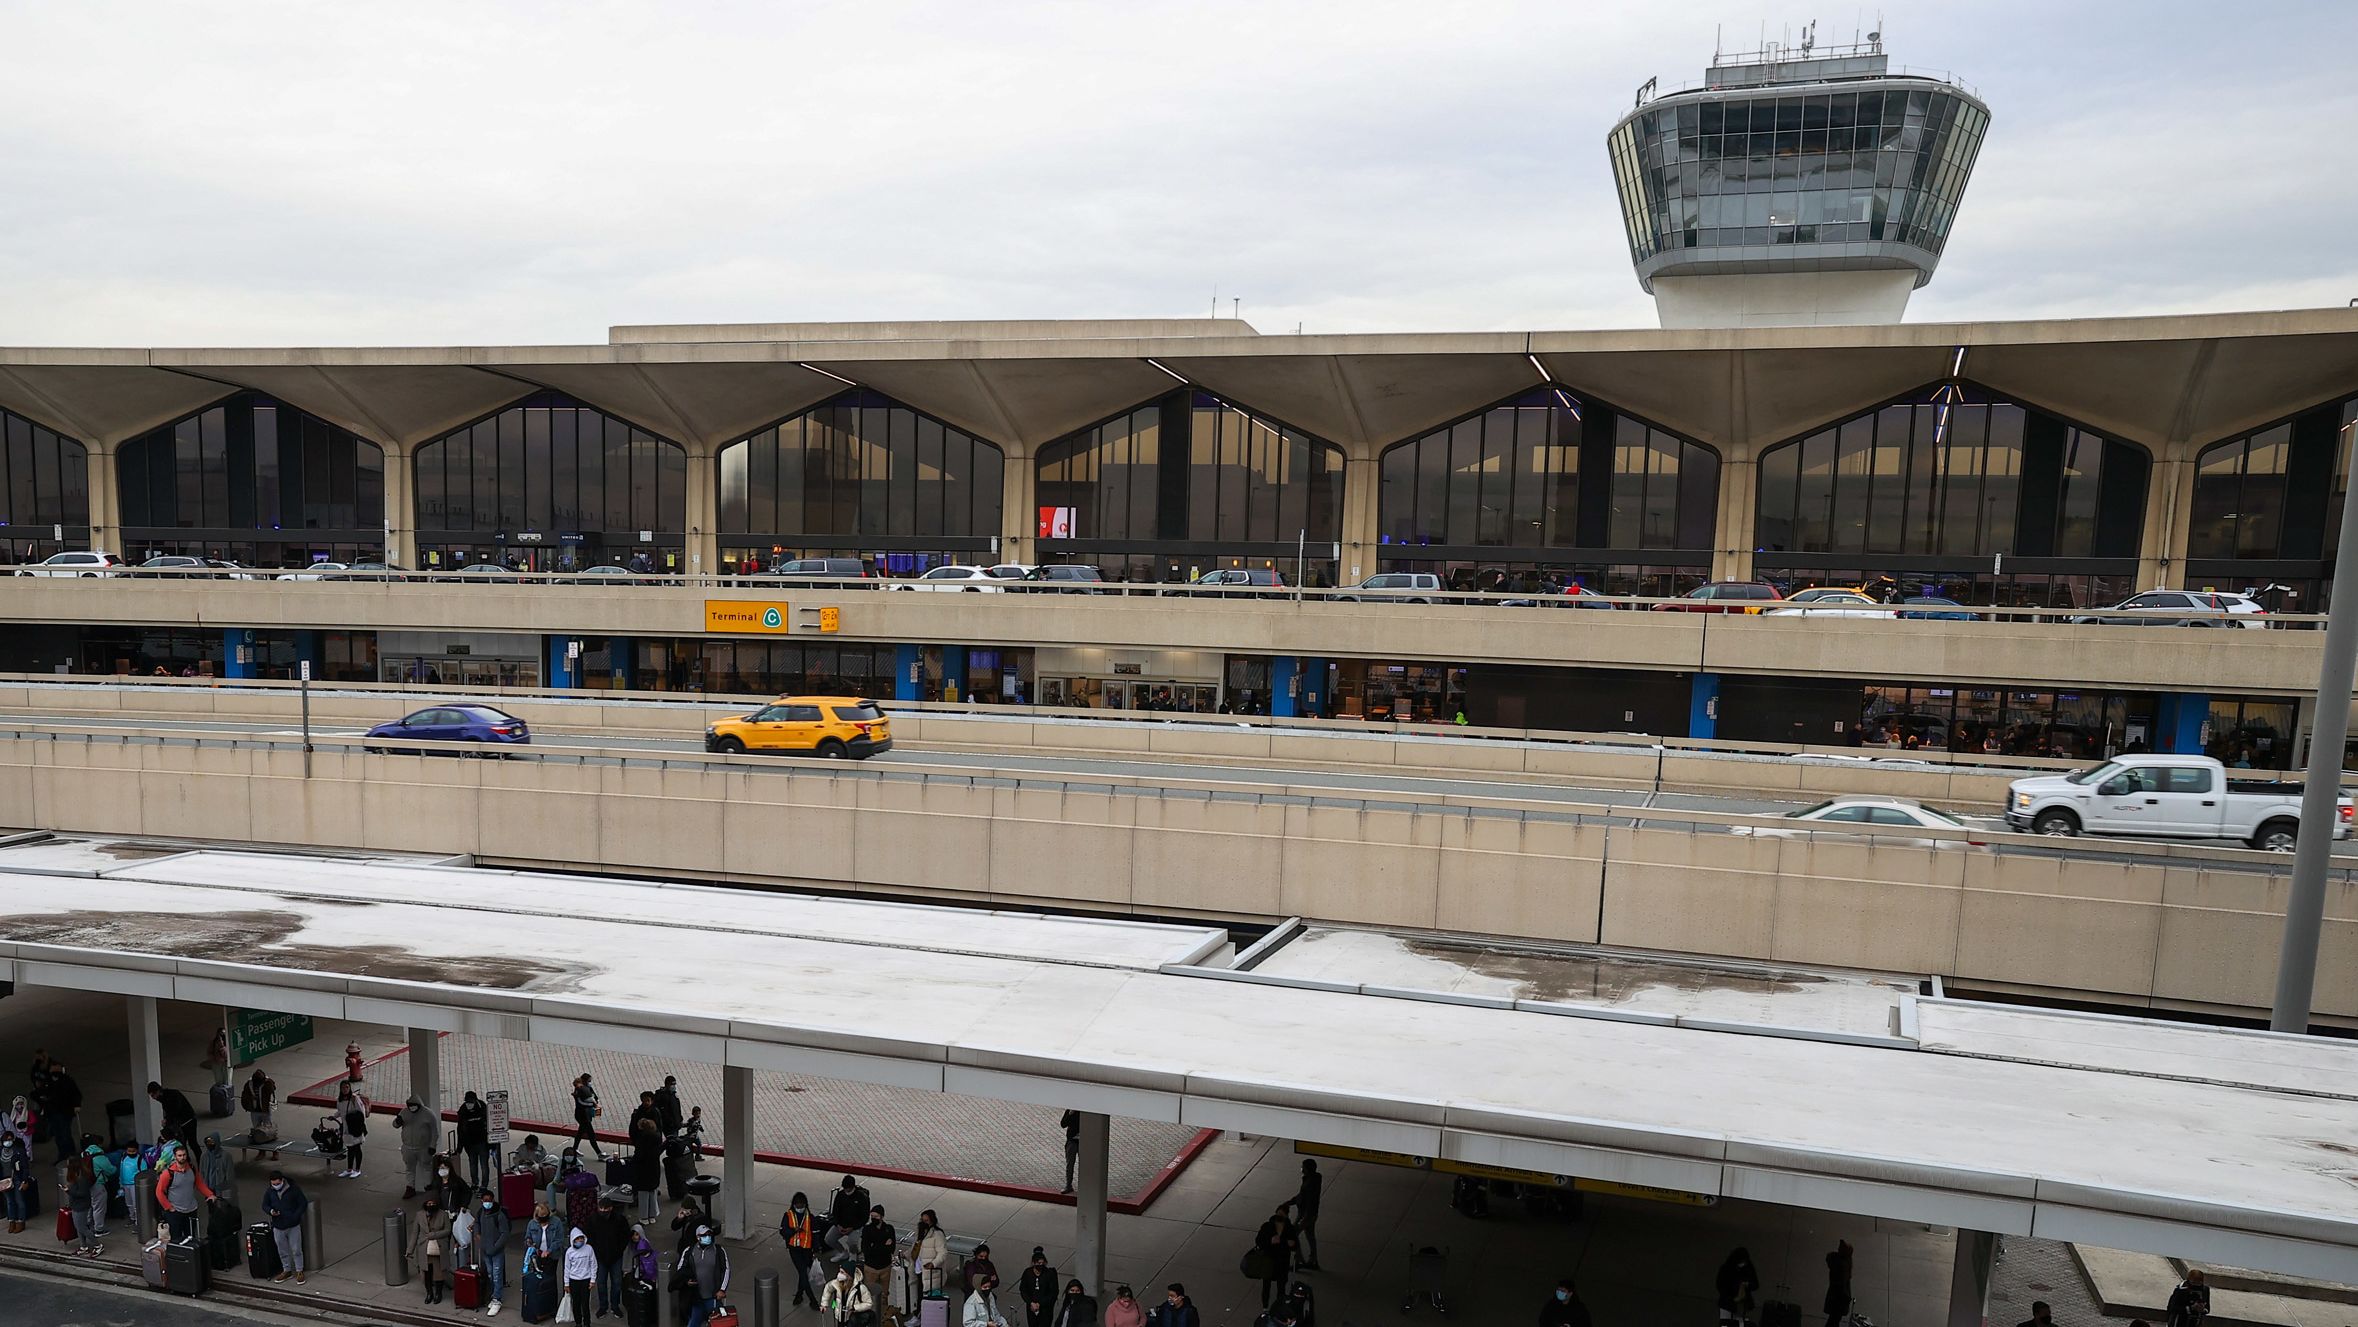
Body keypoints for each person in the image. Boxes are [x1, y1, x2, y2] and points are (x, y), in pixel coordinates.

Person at [153, 1147, 215, 1241]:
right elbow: (159, 1192)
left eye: (184, 1155)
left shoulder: (192, 1169)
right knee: (176, 1238)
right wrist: (169, 1207)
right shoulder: (168, 1174)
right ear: (175, 1157)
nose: (182, 1157)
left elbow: (199, 1183)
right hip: (175, 1212)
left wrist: (210, 1194)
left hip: (191, 1209)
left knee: (190, 1237)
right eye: (180, 1155)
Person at [675, 1225, 731, 1327]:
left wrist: (722, 1289)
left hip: (713, 1297)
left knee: (719, 1323)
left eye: (709, 1234)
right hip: (696, 1298)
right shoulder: (689, 1251)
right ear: (698, 1237)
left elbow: (726, 1270)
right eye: (704, 1235)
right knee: (694, 1323)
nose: (708, 1237)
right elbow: (680, 1269)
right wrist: (686, 1281)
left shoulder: (718, 1251)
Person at [589, 1191, 633, 1318]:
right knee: (601, 1283)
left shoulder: (619, 1220)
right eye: (601, 1208)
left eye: (605, 1208)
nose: (602, 1211)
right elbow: (589, 1236)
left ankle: (615, 1306)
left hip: (615, 1257)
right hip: (600, 1258)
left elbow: (625, 1236)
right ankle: (603, 1306)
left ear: (611, 1208)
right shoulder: (593, 1220)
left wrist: (619, 1250)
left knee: (617, 1283)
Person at [262, 1171, 308, 1284]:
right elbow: (265, 1205)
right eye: (273, 1184)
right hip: (278, 1225)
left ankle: (299, 1270)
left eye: (277, 1183)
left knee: (296, 1249)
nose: (275, 1186)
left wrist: (295, 1216)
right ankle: (286, 1269)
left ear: (282, 1180)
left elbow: (303, 1203)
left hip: (293, 1224)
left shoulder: (293, 1190)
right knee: (282, 1250)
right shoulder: (270, 1191)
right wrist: (271, 1211)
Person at [410, 1196, 456, 1304]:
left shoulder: (443, 1215)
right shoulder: (419, 1215)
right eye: (429, 1203)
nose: (431, 1205)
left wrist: (434, 1235)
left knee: (438, 1273)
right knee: (426, 1273)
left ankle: (438, 1293)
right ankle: (429, 1293)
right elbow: (415, 1233)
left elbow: (448, 1230)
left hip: (438, 1248)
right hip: (424, 1249)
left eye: (433, 1203)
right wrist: (410, 1250)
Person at [474, 1186, 512, 1314]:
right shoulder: (480, 1212)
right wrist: (478, 1234)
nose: (487, 1203)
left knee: (496, 1275)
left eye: (489, 1200)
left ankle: (497, 1299)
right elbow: (476, 1224)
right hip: (486, 1250)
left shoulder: (499, 1216)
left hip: (496, 1251)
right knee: (490, 1274)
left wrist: (495, 1246)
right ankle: (493, 1296)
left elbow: (505, 1234)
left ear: (493, 1199)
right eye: (485, 1200)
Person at [780, 1192, 820, 1308]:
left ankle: (799, 1294)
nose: (799, 1208)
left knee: (802, 1274)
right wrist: (793, 1230)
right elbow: (783, 1231)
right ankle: (812, 1300)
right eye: (797, 1206)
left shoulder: (811, 1218)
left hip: (807, 1249)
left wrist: (816, 1249)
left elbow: (816, 1234)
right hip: (794, 1249)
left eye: (801, 1206)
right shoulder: (788, 1216)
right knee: (803, 1272)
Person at [1252, 1207, 1296, 1308]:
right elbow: (1259, 1242)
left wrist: (1292, 1244)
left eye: (1282, 1215)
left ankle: (1279, 1307)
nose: (1279, 1217)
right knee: (1266, 1286)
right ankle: (1265, 1307)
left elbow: (1295, 1245)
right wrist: (1270, 1241)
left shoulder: (1289, 1229)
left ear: (1286, 1215)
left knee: (1281, 1287)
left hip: (1282, 1262)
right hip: (1268, 1261)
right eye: (1278, 1214)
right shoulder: (1267, 1226)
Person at [62, 1148, 101, 1257]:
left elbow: (82, 1193)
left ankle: (97, 1245)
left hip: (81, 1205)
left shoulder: (82, 1177)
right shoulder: (77, 1175)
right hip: (76, 1205)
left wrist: (69, 1191)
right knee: (78, 1226)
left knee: (82, 1227)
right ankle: (83, 1246)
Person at [825, 1173, 871, 1263]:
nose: (847, 1191)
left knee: (852, 1242)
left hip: (855, 1226)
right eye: (845, 1189)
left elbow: (865, 1217)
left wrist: (853, 1228)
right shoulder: (840, 1195)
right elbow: (835, 1212)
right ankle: (842, 1252)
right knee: (829, 1239)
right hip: (841, 1225)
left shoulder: (862, 1197)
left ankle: (853, 1256)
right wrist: (838, 1225)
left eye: (849, 1189)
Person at [42, 1060, 81, 1164]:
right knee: (58, 1136)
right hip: (53, 1112)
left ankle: (70, 1154)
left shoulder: (67, 1081)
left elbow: (76, 1094)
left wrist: (77, 1105)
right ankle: (63, 1155)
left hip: (65, 1112)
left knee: (65, 1134)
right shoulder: (48, 1081)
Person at [858, 1205, 897, 1304]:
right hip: (871, 1268)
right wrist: (884, 1246)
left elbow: (892, 1248)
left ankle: (883, 1315)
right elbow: (866, 1250)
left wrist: (875, 1246)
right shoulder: (867, 1229)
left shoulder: (889, 1229)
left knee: (884, 1295)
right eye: (872, 1216)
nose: (874, 1219)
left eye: (876, 1216)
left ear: (882, 1217)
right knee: (869, 1294)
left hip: (885, 1267)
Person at [455, 1090, 492, 1192]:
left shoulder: (482, 1108)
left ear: (475, 1101)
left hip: (482, 1143)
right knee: (473, 1164)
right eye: (467, 1102)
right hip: (470, 1144)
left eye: (470, 1102)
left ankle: (484, 1185)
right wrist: (460, 1147)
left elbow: (490, 1125)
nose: (469, 1104)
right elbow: (460, 1130)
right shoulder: (463, 1111)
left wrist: (492, 1144)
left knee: (484, 1165)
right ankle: (475, 1183)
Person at [1289, 1159, 1322, 1271]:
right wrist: (1290, 1202)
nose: (1301, 1169)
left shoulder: (1309, 1183)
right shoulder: (1315, 1179)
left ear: (1307, 1169)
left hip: (1305, 1215)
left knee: (1292, 1234)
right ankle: (1313, 1261)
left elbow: (1304, 1198)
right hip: (1311, 1215)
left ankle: (1299, 1261)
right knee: (1310, 1236)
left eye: (1303, 1167)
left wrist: (1303, 1218)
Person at [239, 1068, 278, 1160]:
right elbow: (244, 1095)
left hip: (265, 1110)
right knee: (258, 1133)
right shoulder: (249, 1084)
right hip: (255, 1110)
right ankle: (261, 1151)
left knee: (270, 1131)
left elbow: (273, 1089)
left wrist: (269, 1082)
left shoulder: (267, 1083)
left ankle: (275, 1151)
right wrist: (250, 1099)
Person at [629, 1117, 664, 1220]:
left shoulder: (642, 1140)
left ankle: (644, 1217)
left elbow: (639, 1156)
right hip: (654, 1169)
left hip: (643, 1171)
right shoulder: (657, 1138)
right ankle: (653, 1215)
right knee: (652, 1192)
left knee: (643, 1195)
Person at [562, 1227, 598, 1326]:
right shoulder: (569, 1252)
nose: (579, 1241)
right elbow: (567, 1269)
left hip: (585, 1280)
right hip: (574, 1281)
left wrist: (592, 1280)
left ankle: (587, 1323)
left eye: (581, 1238)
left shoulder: (589, 1249)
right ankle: (578, 1323)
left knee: (585, 1304)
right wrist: (566, 1284)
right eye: (577, 1239)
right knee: (576, 1303)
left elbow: (593, 1264)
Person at [147, 1080, 198, 1150]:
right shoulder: (164, 1098)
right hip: (181, 1122)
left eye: (153, 1095)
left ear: (158, 1091)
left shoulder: (172, 1095)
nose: (153, 1098)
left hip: (189, 1120)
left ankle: (199, 1159)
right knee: (182, 1144)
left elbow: (175, 1110)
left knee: (192, 1143)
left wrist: (167, 1120)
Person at [335, 1078, 370, 1178]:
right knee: (350, 1148)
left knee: (357, 1148)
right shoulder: (339, 1099)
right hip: (346, 1128)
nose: (345, 1089)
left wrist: (359, 1124)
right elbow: (340, 1111)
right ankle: (349, 1169)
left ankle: (357, 1169)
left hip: (355, 1127)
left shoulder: (354, 1099)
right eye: (343, 1087)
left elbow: (361, 1111)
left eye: (347, 1087)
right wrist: (334, 1116)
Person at [1715, 1247, 1760, 1324]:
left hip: (1742, 1304)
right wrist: (1731, 1297)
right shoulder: (1726, 1268)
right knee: (1725, 1323)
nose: (1743, 1263)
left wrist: (1747, 1284)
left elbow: (1755, 1284)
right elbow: (1720, 1285)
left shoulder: (1748, 1268)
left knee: (1739, 1323)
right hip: (1727, 1302)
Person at [910, 1208, 949, 1295]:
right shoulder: (920, 1232)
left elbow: (943, 1253)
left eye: (926, 1221)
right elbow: (914, 1247)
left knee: (928, 1296)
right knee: (918, 1293)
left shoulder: (938, 1234)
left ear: (932, 1221)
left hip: (930, 1272)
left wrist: (933, 1263)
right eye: (922, 1220)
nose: (924, 1223)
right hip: (919, 1269)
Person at [1018, 1246, 1059, 1327]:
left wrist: (1040, 1304)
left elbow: (1053, 1292)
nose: (1040, 1265)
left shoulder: (1049, 1274)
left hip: (1045, 1308)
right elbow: (1023, 1290)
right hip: (1032, 1307)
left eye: (1042, 1263)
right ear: (1033, 1263)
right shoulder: (1027, 1273)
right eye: (1038, 1263)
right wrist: (1030, 1303)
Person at [1, 1135, 34, 1234]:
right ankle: (12, 1221)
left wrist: (25, 1180)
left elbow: (25, 1167)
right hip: (4, 1181)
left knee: (19, 1201)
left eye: (10, 1139)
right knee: (9, 1201)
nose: (8, 1141)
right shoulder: (0, 1151)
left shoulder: (19, 1151)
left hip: (17, 1179)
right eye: (6, 1140)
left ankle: (20, 1221)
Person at [571, 1074, 604, 1160]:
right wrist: (592, 1104)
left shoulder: (588, 1088)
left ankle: (574, 1150)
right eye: (588, 1081)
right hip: (581, 1115)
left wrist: (594, 1102)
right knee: (591, 1134)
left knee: (580, 1132)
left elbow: (595, 1097)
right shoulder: (578, 1090)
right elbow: (580, 1103)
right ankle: (599, 1153)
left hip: (587, 1114)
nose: (589, 1083)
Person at [1824, 1239, 1854, 1327]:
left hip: (1836, 1298)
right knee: (1834, 1321)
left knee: (1833, 1321)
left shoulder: (1838, 1263)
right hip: (1840, 1299)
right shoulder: (1844, 1265)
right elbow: (1842, 1285)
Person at [1059, 1109, 1081, 1193]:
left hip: (1084, 1142)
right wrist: (1070, 1114)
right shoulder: (1070, 1111)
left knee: (1084, 1166)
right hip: (1071, 1141)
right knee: (1070, 1164)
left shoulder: (1085, 1111)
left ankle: (1083, 1186)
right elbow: (1063, 1124)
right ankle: (1068, 1185)